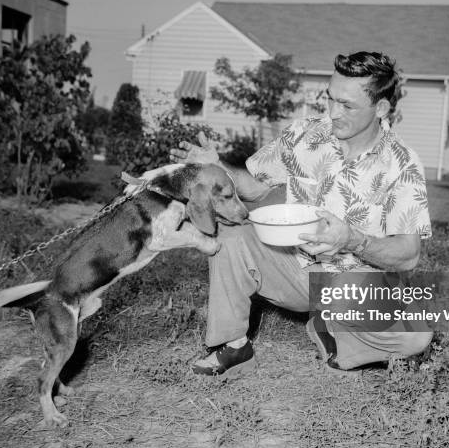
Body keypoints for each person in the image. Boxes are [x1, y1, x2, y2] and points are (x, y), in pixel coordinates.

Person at [169, 51, 433, 376]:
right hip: (291, 265)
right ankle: (233, 345)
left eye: (347, 105)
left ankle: (336, 334)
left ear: (380, 108)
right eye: (330, 99)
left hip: (354, 279)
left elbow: (408, 255)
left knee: (416, 337)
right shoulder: (304, 134)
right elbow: (253, 187)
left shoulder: (403, 163)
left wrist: (353, 240)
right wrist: (218, 165)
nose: (333, 113)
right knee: (230, 234)